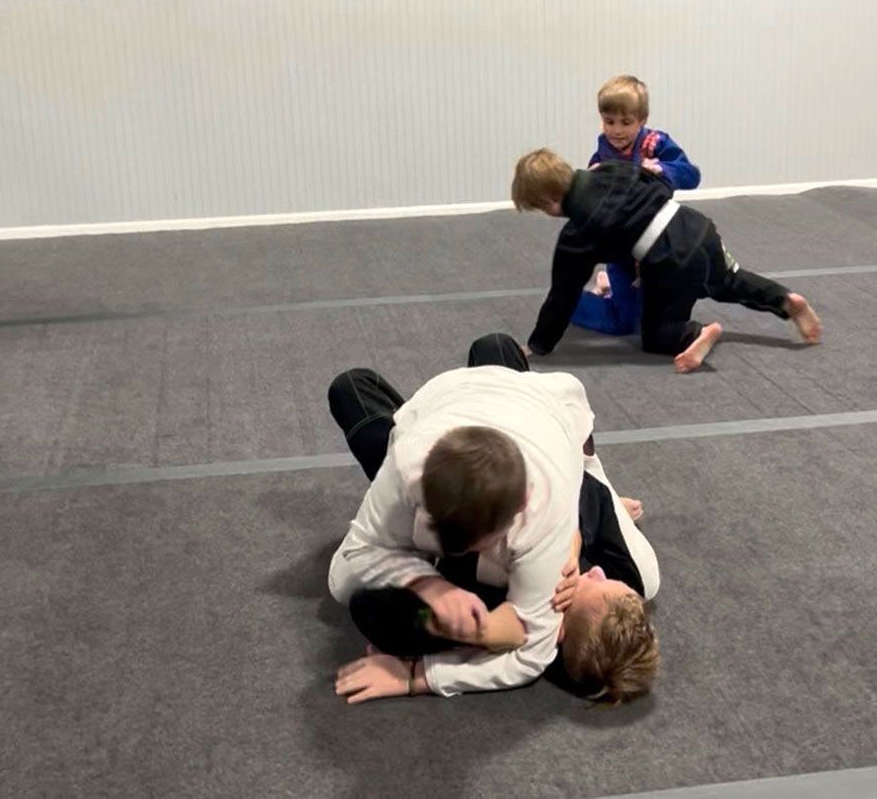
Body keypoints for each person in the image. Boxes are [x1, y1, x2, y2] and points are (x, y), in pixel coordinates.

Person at [327, 334, 591, 699]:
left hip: (536, 409)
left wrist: (417, 676)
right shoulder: (408, 462)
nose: (595, 574)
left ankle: (496, 353)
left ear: (521, 505)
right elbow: (360, 552)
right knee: (343, 582)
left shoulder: (547, 511)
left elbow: (529, 651)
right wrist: (430, 586)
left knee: (495, 345)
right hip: (447, 398)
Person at [511, 150, 822, 372]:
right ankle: (784, 300)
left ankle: (696, 333)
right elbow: (658, 183)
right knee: (729, 281)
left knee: (658, 334)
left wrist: (539, 344)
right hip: (694, 225)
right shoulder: (611, 168)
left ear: (551, 201)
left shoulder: (576, 234)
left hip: (669, 258)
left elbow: (562, 296)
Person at [572, 75, 701, 338]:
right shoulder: (602, 153)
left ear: (642, 120)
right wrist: (591, 180)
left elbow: (691, 175)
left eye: (626, 123)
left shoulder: (655, 145)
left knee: (658, 317)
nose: (617, 130)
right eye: (609, 122)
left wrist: (662, 168)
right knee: (624, 325)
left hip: (655, 244)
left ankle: (610, 288)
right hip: (622, 249)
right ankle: (573, 303)